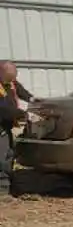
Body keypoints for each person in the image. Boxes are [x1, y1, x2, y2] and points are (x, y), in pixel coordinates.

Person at [0, 61, 34, 193]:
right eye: (9, 78)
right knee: (2, 158)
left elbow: (19, 89)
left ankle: (7, 185)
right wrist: (25, 115)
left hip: (6, 127)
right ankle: (2, 191)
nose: (13, 81)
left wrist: (32, 99)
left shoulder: (10, 81)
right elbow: (4, 110)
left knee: (9, 155)